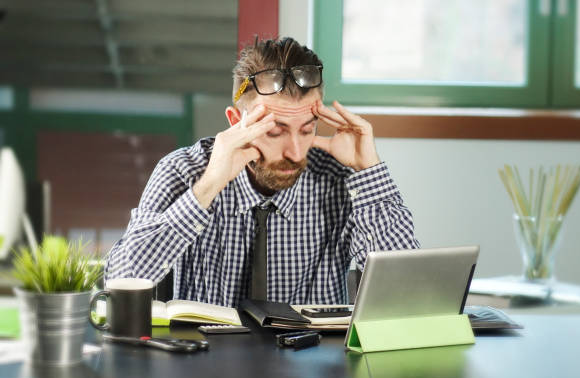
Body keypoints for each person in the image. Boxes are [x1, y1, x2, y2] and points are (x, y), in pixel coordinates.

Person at [105, 37, 419, 307]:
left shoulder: (343, 178)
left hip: (313, 369)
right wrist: (208, 187)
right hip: (204, 366)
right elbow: (119, 282)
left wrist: (369, 172)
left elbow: (407, 292)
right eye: (274, 132)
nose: (296, 153)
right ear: (234, 122)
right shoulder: (184, 171)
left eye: (308, 129)